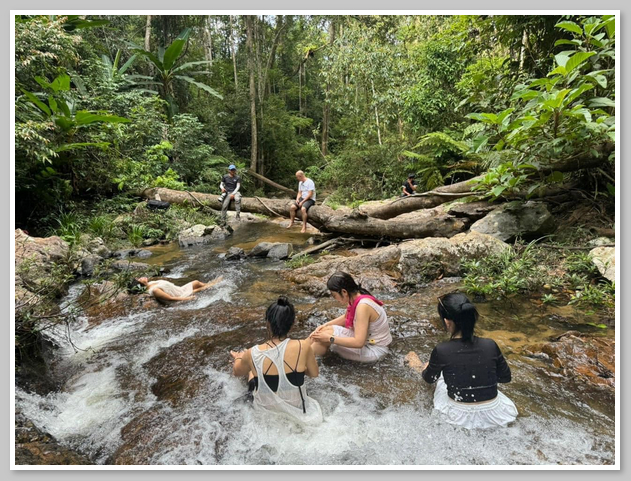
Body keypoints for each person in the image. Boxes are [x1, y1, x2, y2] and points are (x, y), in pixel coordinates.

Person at [415, 291, 518, 429]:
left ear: (447, 322)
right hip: (495, 414)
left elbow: (429, 379)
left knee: (440, 379)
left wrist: (427, 367)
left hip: (458, 415)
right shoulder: (490, 345)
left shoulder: (442, 350)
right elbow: (505, 378)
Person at [230, 296, 322, 423]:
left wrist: (240, 357)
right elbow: (314, 373)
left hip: (265, 413)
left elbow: (236, 372)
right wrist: (299, 368)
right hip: (297, 410)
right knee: (255, 368)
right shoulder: (303, 346)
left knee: (253, 370)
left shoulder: (252, 352)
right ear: (292, 324)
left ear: (268, 323)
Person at [309, 272, 392, 362]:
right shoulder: (356, 297)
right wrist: (324, 325)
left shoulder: (363, 306)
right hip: (367, 342)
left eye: (334, 295)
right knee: (323, 332)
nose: (335, 299)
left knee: (324, 338)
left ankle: (305, 364)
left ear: (344, 292)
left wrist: (329, 338)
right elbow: (346, 318)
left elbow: (359, 342)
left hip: (375, 350)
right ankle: (302, 353)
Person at [135, 276, 223, 304]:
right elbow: (170, 298)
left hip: (179, 289)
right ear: (140, 284)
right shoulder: (154, 290)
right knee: (200, 289)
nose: (142, 277)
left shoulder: (151, 282)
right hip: (179, 296)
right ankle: (216, 284)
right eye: (140, 279)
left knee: (196, 282)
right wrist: (187, 299)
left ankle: (213, 284)